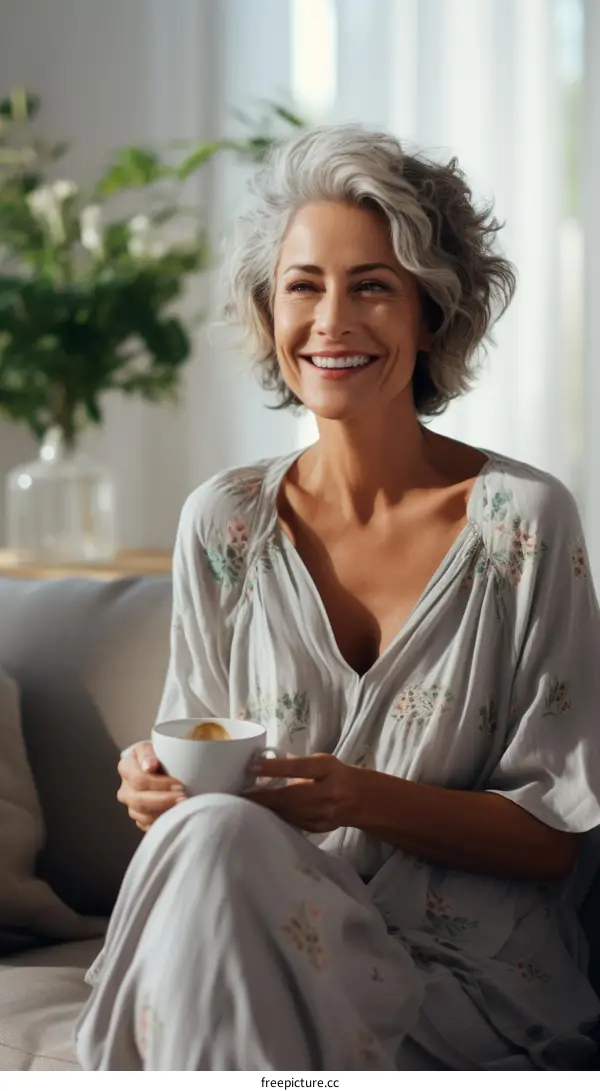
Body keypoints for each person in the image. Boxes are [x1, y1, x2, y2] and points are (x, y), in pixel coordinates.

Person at [75, 125, 600, 1071]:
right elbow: (196, 801)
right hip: (259, 934)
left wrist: (358, 796)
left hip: (464, 974)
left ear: (431, 314)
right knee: (213, 832)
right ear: (269, 310)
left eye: (372, 287)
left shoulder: (525, 522)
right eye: (305, 285)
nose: (332, 321)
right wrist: (150, 788)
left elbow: (554, 839)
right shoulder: (224, 523)